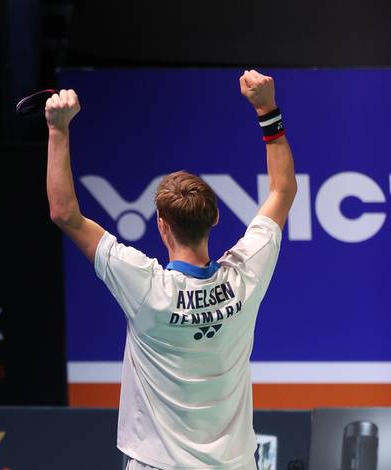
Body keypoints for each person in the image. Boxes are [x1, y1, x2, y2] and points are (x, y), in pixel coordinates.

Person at [45, 70, 296, 469]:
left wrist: (58, 130)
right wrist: (267, 108)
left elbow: (65, 214)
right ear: (215, 219)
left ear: (161, 224)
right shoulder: (245, 275)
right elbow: (282, 190)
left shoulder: (145, 286)